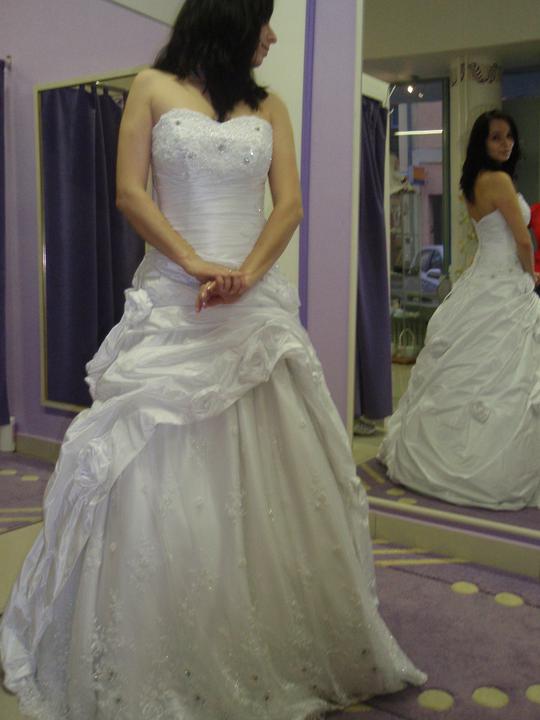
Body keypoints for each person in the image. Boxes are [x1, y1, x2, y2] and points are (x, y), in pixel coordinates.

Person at [0, 2, 425, 717]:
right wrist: (196, 264)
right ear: (228, 20)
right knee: (153, 469)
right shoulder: (151, 87)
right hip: (176, 294)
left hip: (251, 303)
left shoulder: (271, 107)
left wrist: (246, 276)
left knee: (275, 471)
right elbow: (130, 193)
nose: (272, 35)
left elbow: (287, 206)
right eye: (262, 20)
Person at [379, 109, 540, 510]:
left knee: (471, 366)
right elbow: (522, 241)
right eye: (496, 137)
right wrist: (532, 274)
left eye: (509, 137)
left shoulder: (472, 184)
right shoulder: (499, 181)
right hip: (505, 280)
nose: (506, 144)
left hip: (482, 277)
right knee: (506, 371)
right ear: (482, 142)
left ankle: (440, 458)